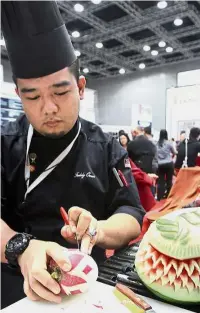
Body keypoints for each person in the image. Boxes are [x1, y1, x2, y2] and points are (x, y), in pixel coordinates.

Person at [1, 2, 145, 309]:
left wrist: (98, 229)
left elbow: (132, 215)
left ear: (80, 87)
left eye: (60, 92)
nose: (48, 107)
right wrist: (22, 248)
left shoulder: (106, 146)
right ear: (18, 95)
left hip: (88, 283)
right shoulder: (5, 144)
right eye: (33, 96)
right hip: (15, 284)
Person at [157, 129, 176, 200]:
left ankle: (159, 197)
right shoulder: (169, 143)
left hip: (160, 164)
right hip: (169, 163)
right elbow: (174, 152)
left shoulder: (156, 143)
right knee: (169, 180)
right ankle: (168, 195)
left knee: (160, 181)